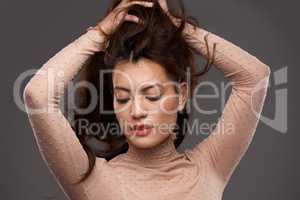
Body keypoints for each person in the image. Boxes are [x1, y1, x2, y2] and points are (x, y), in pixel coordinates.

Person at [23, 0, 271, 199]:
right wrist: (98, 35)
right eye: (122, 98)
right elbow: (38, 95)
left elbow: (255, 77)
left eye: (151, 96)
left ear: (182, 95)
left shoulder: (210, 167)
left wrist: (179, 28)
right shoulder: (93, 180)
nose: (137, 111)